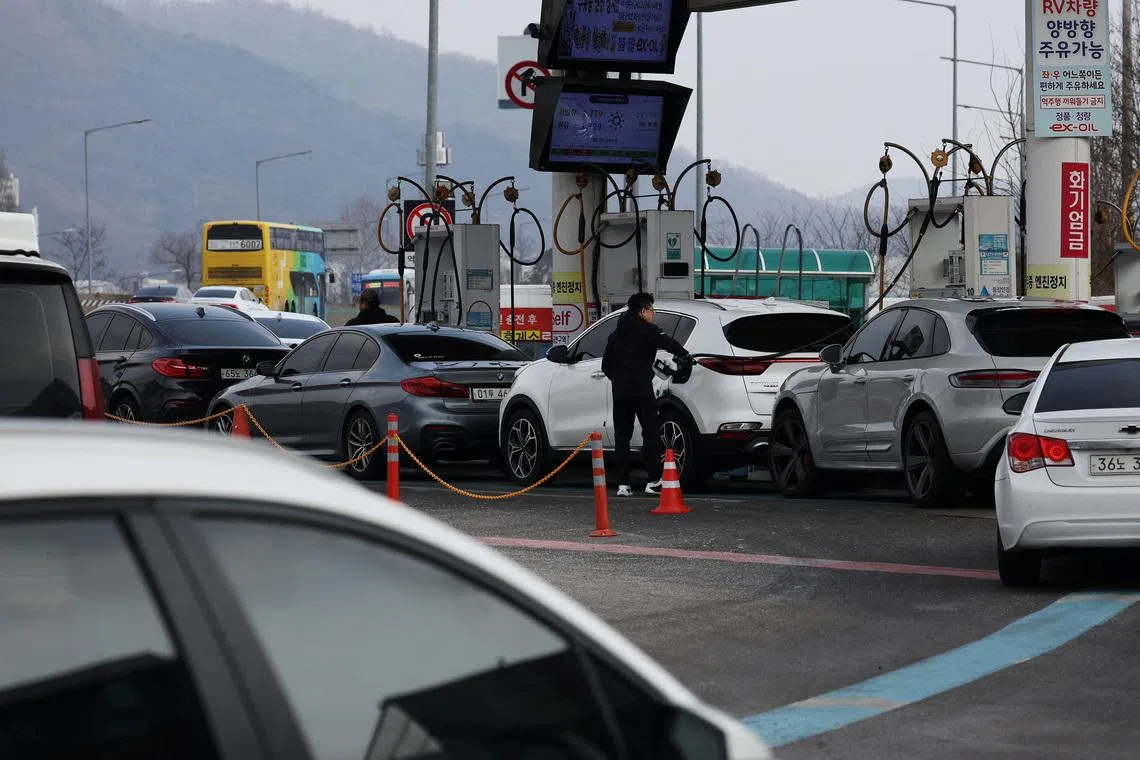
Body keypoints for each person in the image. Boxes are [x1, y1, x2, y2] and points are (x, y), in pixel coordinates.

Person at [602, 292, 690, 497]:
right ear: (643, 311)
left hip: (620, 392)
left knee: (622, 437)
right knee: (651, 432)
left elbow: (606, 365)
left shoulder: (615, 335)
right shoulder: (648, 330)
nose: (653, 314)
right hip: (642, 389)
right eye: (651, 310)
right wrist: (685, 355)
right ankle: (653, 481)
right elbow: (669, 343)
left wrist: (619, 379)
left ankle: (623, 485)